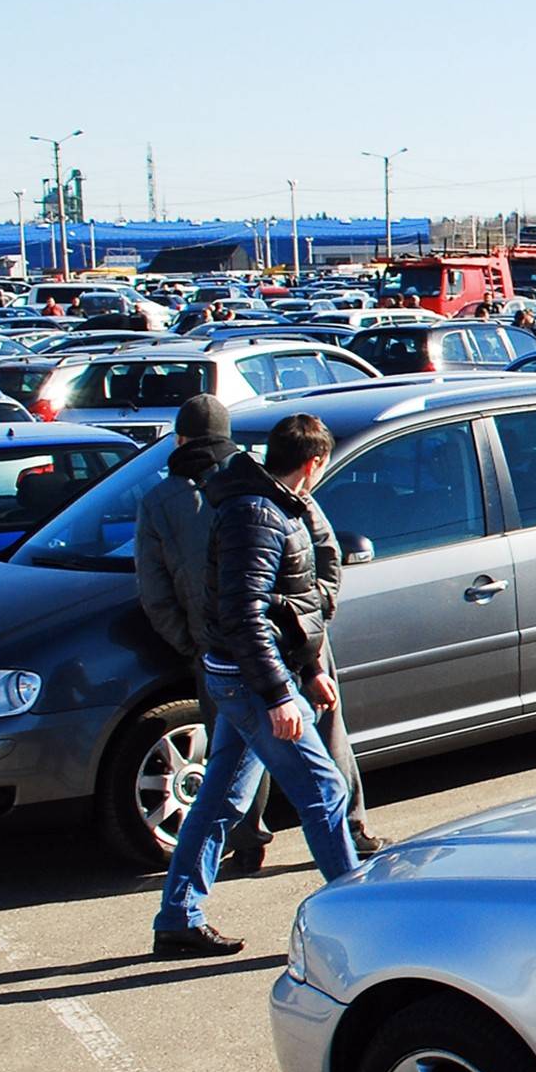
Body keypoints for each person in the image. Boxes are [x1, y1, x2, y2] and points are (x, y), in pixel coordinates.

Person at [150, 414, 356, 957]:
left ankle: (177, 916)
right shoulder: (257, 514)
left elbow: (289, 603)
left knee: (222, 798)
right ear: (313, 463)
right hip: (251, 682)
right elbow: (244, 613)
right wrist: (277, 695)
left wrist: (309, 670)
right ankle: (359, 922)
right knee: (325, 791)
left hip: (255, 676)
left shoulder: (270, 505)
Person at [135, 396, 270, 874]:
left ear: (180, 439)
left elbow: (154, 590)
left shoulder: (158, 501)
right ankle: (342, 835)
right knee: (295, 742)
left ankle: (240, 839)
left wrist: (190, 641)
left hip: (211, 647)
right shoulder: (255, 480)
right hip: (267, 636)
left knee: (228, 749)